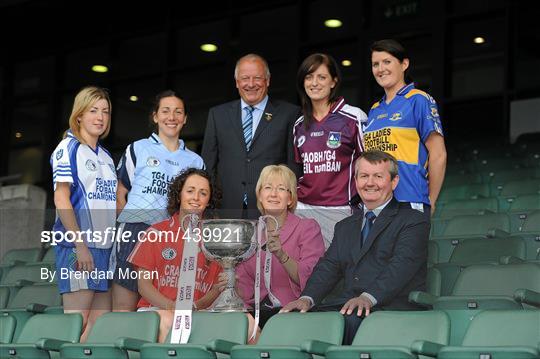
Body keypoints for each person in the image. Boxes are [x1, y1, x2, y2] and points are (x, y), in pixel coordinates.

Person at [281, 150, 429, 345]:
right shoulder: (345, 226)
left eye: (378, 176)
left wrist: (368, 297)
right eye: (364, 176)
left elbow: (401, 267)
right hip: (350, 307)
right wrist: (307, 299)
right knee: (292, 318)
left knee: (346, 322)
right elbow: (328, 267)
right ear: (356, 181)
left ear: (394, 182)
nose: (370, 183)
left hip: (390, 307)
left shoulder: (413, 220)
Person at [111, 90, 204, 312]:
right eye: (165, 111)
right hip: (136, 229)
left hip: (171, 237)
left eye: (177, 112)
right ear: (155, 116)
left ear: (185, 118)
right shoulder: (138, 148)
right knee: (124, 308)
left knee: (160, 307)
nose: (171, 117)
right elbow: (119, 193)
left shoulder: (195, 160)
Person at [50, 86, 117, 342]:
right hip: (78, 247)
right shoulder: (68, 147)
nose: (100, 117)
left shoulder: (108, 157)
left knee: (98, 327)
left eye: (105, 111)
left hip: (104, 249)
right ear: (79, 115)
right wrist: (80, 244)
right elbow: (60, 197)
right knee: (76, 324)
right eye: (93, 110)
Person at [128, 168, 225, 343]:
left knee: (246, 322)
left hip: (198, 313)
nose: (196, 197)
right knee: (169, 320)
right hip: (155, 311)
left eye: (203, 193)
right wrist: (172, 307)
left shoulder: (215, 238)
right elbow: (143, 286)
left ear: (209, 200)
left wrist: (196, 306)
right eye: (190, 191)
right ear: (179, 195)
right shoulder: (156, 232)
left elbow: (216, 289)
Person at [202, 53, 300, 219]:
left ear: (267, 80)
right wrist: (210, 208)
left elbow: (293, 166)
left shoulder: (289, 113)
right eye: (245, 78)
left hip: (271, 210)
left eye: (257, 78)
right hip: (226, 209)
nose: (251, 84)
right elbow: (208, 165)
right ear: (237, 82)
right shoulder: (217, 115)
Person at [364, 39, 447, 216]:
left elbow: (438, 154)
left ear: (404, 64)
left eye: (387, 62)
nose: (381, 69)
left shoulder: (419, 99)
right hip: (376, 205)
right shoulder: (373, 110)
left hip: (410, 201)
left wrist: (430, 200)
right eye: (375, 64)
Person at [236, 165, 325, 328]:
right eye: (268, 187)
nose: (274, 194)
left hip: (293, 312)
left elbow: (312, 279)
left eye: (281, 189)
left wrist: (282, 255)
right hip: (256, 312)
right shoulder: (249, 233)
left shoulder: (307, 228)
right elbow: (244, 285)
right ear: (260, 195)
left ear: (290, 198)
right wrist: (230, 283)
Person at [293, 53, 367, 248]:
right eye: (309, 77)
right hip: (304, 209)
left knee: (340, 273)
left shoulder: (353, 117)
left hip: (341, 209)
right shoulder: (299, 125)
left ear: (334, 82)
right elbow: (299, 169)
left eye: (321, 77)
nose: (314, 83)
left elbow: (369, 164)